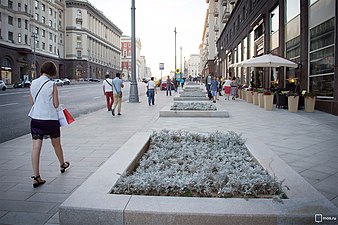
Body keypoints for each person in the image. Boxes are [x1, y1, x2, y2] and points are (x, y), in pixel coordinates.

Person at [28, 61, 70, 188]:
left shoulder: (33, 83)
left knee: (36, 148)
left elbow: (32, 102)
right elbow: (56, 105)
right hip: (50, 119)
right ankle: (62, 164)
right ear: (52, 71)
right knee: (56, 145)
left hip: (36, 119)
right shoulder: (52, 84)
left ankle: (36, 177)